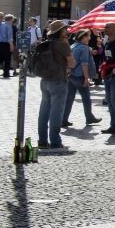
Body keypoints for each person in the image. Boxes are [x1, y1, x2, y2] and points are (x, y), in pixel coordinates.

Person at [37, 21, 74, 149]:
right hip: (58, 80)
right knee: (56, 112)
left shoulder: (44, 44)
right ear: (60, 31)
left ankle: (42, 141)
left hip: (44, 80)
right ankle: (55, 141)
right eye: (65, 30)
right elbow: (72, 63)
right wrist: (67, 44)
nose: (66, 31)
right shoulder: (62, 45)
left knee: (44, 111)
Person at [62, 29, 102, 128]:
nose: (90, 38)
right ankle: (89, 117)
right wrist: (86, 78)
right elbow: (84, 64)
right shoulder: (83, 48)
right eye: (88, 36)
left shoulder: (73, 46)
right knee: (86, 98)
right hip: (80, 76)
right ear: (83, 37)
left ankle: (63, 119)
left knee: (69, 99)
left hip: (71, 75)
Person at [0, 13, 15, 78]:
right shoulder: (9, 26)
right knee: (7, 59)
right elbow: (9, 37)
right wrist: (11, 45)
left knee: (1, 58)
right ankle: (6, 73)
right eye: (12, 20)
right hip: (6, 44)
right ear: (11, 19)